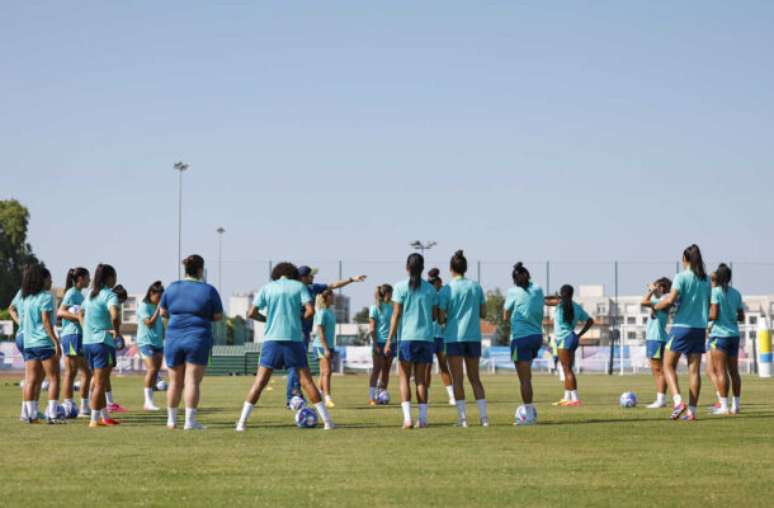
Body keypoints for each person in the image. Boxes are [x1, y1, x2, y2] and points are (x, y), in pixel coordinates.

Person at [237, 262, 334, 431]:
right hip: (294, 340)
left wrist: (266, 319)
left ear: (276, 274)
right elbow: (310, 311)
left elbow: (251, 313)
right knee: (307, 382)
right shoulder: (299, 287)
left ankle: (241, 423)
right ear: (293, 274)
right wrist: (297, 320)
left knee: (260, 382)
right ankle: (327, 422)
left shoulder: (267, 288)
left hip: (271, 341)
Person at [285, 266, 366, 406]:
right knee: (296, 365)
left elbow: (333, 285)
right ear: (302, 277)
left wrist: (352, 279)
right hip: (294, 333)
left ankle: (297, 395)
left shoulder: (312, 288)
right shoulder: (293, 291)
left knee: (300, 365)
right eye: (311, 275)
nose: (313, 277)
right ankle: (293, 395)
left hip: (304, 334)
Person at [160, 255, 223, 430]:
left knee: (174, 382)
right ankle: (190, 421)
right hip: (197, 337)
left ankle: (171, 421)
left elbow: (163, 312)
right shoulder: (209, 290)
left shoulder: (172, 288)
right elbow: (218, 315)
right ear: (200, 270)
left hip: (173, 337)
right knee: (192, 382)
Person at [655, 244, 711, 421]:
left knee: (667, 365)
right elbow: (708, 304)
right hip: (699, 329)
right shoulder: (707, 280)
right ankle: (692, 412)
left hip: (681, 327)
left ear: (685, 259)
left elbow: (670, 300)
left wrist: (657, 305)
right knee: (694, 371)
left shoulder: (681, 277)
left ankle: (678, 401)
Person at [385, 253, 437, 429]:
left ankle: (407, 419)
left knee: (404, 379)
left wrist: (388, 340)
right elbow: (435, 315)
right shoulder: (430, 289)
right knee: (421, 380)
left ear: (407, 268)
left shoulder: (399, 287)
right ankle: (422, 420)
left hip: (406, 338)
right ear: (422, 268)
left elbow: (396, 315)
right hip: (426, 338)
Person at [438, 250, 488, 427]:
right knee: (475, 378)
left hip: (453, 338)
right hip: (473, 337)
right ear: (465, 268)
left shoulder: (446, 289)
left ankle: (463, 420)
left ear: (451, 268)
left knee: (457, 380)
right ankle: (484, 419)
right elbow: (483, 312)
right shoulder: (476, 287)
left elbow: (441, 317)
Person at [503, 262, 545, 425]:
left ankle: (528, 416)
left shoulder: (513, 291)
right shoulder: (538, 289)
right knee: (527, 377)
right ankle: (529, 410)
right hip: (536, 337)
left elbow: (506, 314)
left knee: (524, 380)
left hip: (520, 339)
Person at [81, 263, 122, 427]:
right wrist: (116, 330)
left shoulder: (90, 294)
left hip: (88, 342)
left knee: (100, 381)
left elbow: (80, 312)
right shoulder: (110, 295)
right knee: (100, 382)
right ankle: (94, 419)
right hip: (102, 342)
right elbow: (114, 314)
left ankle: (105, 417)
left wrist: (87, 328)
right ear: (110, 278)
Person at [20, 265, 62, 424]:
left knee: (31, 379)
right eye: (49, 278)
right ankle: (52, 414)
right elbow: (46, 320)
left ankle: (30, 415)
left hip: (29, 343)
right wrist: (55, 341)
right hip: (44, 343)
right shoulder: (46, 296)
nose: (51, 281)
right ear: (42, 280)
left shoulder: (26, 298)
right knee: (54, 379)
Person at [545, 285, 594, 407]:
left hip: (564, 339)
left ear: (562, 294)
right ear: (572, 294)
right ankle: (567, 397)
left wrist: (556, 296)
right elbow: (590, 321)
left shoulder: (559, 304)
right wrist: (580, 334)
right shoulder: (576, 307)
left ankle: (576, 399)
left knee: (567, 369)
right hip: (572, 338)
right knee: (566, 368)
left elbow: (545, 301)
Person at [708, 263, 745, 415]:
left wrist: (704, 315)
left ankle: (724, 407)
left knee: (720, 371)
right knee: (734, 371)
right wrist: (731, 316)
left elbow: (714, 315)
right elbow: (741, 316)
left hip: (720, 335)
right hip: (734, 335)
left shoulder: (715, 292)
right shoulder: (736, 293)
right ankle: (735, 406)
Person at [57, 267, 91, 418]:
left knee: (87, 373)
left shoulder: (80, 295)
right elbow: (60, 312)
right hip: (71, 335)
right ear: (80, 279)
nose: (89, 280)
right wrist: (78, 317)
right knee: (70, 373)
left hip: (79, 336)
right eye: (87, 277)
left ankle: (84, 408)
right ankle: (69, 406)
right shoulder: (71, 293)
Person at [639, 277, 672, 409]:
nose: (657, 288)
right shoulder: (660, 299)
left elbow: (643, 302)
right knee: (658, 370)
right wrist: (652, 290)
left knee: (658, 370)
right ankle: (661, 399)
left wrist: (651, 290)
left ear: (663, 288)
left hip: (656, 338)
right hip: (657, 338)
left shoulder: (662, 300)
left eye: (660, 286)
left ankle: (661, 400)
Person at [427, 268, 455, 406]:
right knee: (426, 368)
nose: (441, 285)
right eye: (439, 283)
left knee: (444, 367)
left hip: (440, 337)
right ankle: (425, 397)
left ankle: (451, 396)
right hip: (427, 336)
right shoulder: (427, 294)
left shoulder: (443, 295)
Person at [137, 281, 165, 411]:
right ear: (151, 293)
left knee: (155, 372)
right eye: (158, 297)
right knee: (152, 370)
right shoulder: (144, 306)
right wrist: (158, 310)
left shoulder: (156, 306)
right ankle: (147, 402)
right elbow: (149, 323)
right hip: (146, 342)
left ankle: (151, 401)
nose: (160, 300)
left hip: (158, 343)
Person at [368, 284, 394, 405]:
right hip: (379, 343)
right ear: (387, 293)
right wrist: (375, 344)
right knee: (376, 369)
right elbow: (372, 329)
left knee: (386, 370)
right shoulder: (375, 308)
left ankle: (382, 394)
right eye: (391, 293)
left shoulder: (393, 307)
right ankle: (371, 397)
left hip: (391, 342)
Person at [311, 288, 337, 408]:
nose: (334, 297)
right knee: (327, 372)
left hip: (329, 346)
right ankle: (327, 398)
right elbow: (320, 333)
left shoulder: (330, 311)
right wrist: (326, 348)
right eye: (332, 296)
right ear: (327, 298)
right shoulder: (321, 312)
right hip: (321, 346)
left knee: (324, 373)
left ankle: (318, 396)